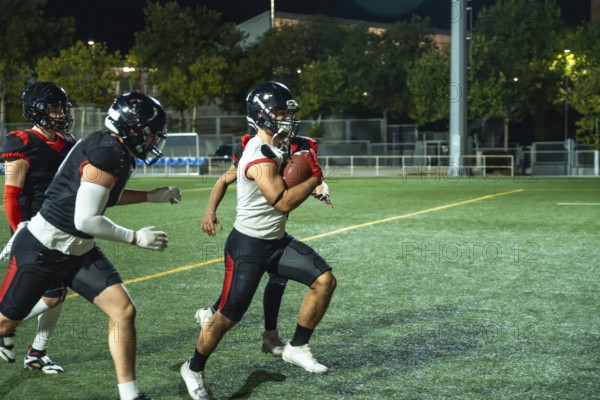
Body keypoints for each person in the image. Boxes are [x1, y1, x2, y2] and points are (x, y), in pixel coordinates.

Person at [0, 92, 181, 400]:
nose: (153, 142)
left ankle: (130, 395)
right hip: (43, 248)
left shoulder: (114, 148)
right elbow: (87, 220)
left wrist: (151, 195)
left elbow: (104, 195)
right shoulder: (107, 151)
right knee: (4, 324)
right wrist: (135, 237)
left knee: (123, 311)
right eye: (151, 135)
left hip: (77, 250)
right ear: (133, 129)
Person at [181, 82, 337, 400]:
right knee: (226, 316)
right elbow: (282, 202)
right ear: (261, 116)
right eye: (280, 113)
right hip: (248, 246)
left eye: (288, 113)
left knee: (325, 280)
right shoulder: (258, 155)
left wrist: (314, 181)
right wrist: (313, 180)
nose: (286, 119)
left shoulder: (278, 146)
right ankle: (193, 368)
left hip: (276, 242)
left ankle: (297, 346)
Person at [196, 129, 333, 357]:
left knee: (279, 279)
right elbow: (224, 179)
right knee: (237, 299)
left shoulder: (298, 149)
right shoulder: (257, 152)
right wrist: (210, 211)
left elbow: (308, 178)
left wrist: (320, 187)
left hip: (275, 233)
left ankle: (270, 336)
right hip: (251, 235)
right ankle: (211, 316)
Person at [0, 82, 77, 373]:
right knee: (52, 294)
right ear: (37, 110)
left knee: (57, 293)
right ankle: (4, 327)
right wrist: (20, 229)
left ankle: (37, 352)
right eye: (54, 108)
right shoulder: (20, 140)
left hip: (63, 228)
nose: (60, 114)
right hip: (33, 228)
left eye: (62, 108)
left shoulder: (68, 140)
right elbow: (11, 194)